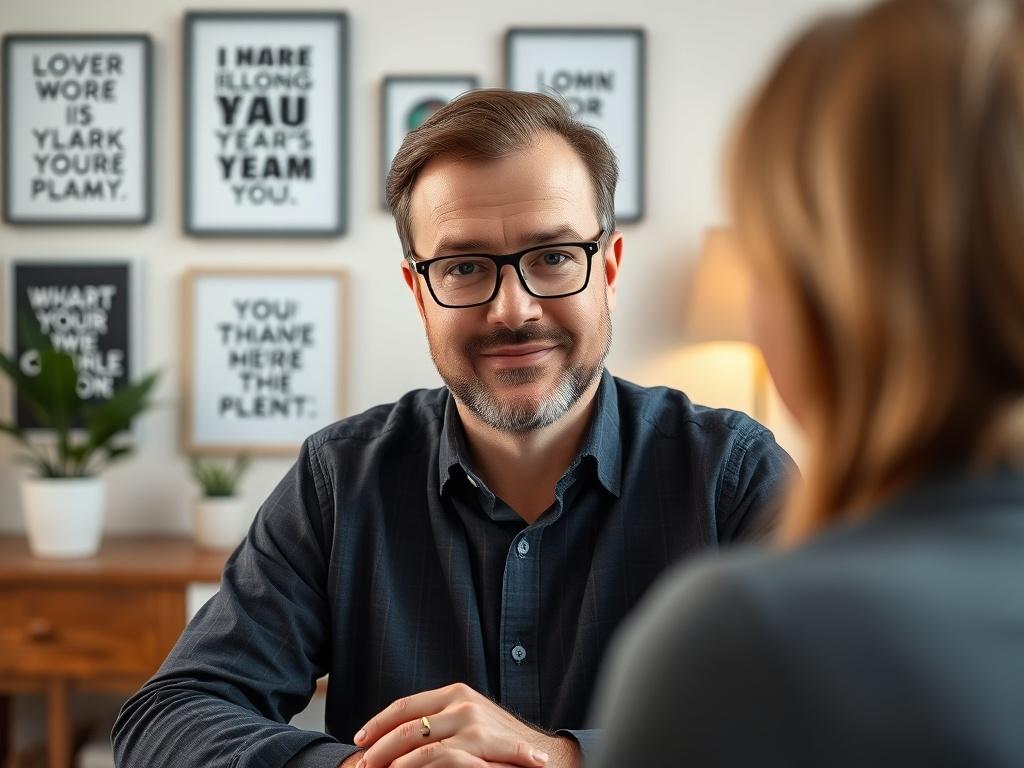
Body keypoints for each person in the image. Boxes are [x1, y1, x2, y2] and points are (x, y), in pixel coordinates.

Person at [112, 90, 794, 768]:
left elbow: (823, 723)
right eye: (465, 268)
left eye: (553, 256)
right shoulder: (340, 480)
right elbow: (166, 717)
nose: (513, 310)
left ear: (608, 270)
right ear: (418, 293)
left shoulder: (730, 475)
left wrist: (557, 758)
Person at [589, 0, 1024, 765]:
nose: (513, 306)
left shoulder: (745, 634)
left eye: (760, 254)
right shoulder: (338, 474)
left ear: (826, 288)